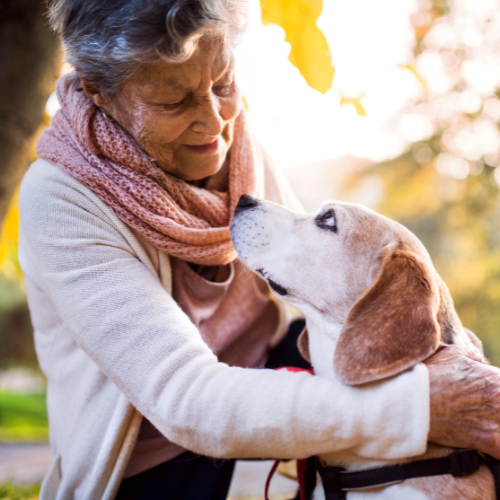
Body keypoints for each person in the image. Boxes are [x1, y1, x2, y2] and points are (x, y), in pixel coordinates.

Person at [18, 0, 500, 499]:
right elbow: (187, 401)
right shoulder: (59, 200)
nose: (214, 122)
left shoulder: (237, 143)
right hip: (157, 459)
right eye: (173, 102)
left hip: (278, 369)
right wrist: (417, 406)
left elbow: (323, 286)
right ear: (101, 93)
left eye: (223, 83)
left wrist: (458, 370)